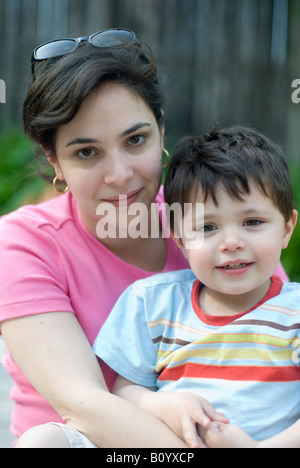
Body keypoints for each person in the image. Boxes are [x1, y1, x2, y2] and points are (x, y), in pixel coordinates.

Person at [0, 28, 201, 448]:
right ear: (53, 159)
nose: (120, 175)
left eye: (135, 139)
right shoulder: (24, 243)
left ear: (161, 131)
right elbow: (84, 404)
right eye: (86, 152)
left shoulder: (210, 221)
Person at [92, 126, 300, 448]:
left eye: (252, 222)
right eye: (207, 227)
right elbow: (125, 391)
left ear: (286, 228)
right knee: (45, 439)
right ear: (180, 239)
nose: (231, 242)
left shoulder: (294, 313)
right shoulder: (153, 305)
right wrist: (166, 405)